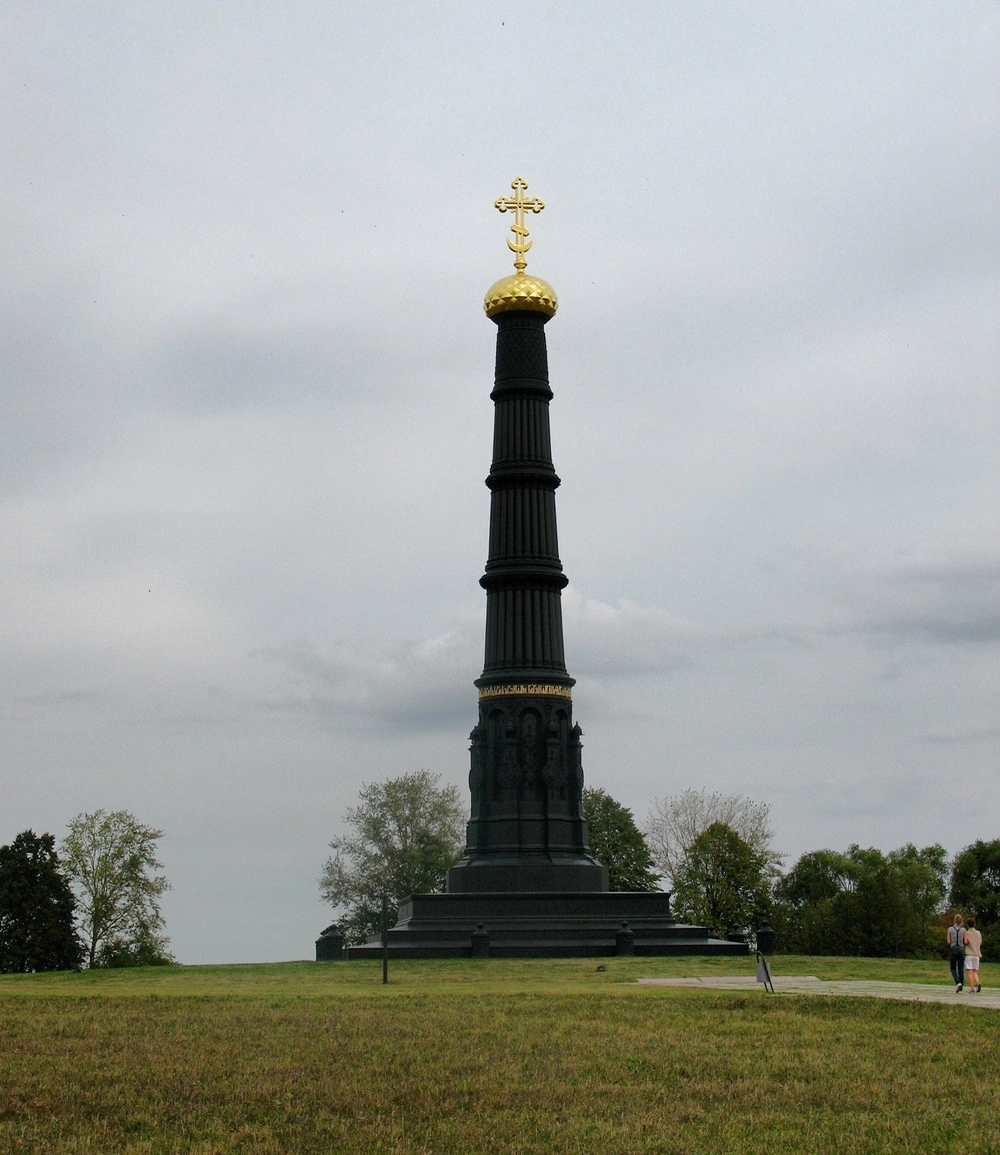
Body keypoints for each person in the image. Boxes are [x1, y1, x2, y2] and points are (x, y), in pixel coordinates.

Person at [948, 914, 967, 991]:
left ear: (954, 920)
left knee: (953, 968)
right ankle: (961, 985)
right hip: (961, 949)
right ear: (961, 921)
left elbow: (948, 941)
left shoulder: (950, 929)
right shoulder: (964, 930)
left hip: (953, 949)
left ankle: (958, 982)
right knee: (960, 968)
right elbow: (965, 941)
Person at [964, 918, 983, 994]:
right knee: (975, 971)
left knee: (969, 971)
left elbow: (965, 942)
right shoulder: (978, 933)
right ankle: (977, 982)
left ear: (967, 925)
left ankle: (972, 988)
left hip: (969, 953)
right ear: (974, 924)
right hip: (977, 953)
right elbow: (980, 942)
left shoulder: (967, 933)